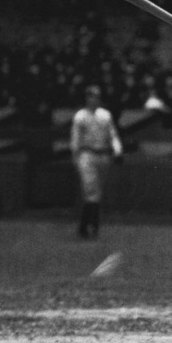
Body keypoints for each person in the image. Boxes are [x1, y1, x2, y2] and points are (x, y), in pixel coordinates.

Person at [70, 85, 123, 239]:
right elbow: (76, 138)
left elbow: (112, 134)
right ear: (86, 98)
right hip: (87, 153)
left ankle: (88, 225)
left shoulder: (105, 115)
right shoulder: (80, 116)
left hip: (103, 154)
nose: (93, 99)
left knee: (96, 191)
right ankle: (91, 224)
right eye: (90, 96)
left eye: (96, 96)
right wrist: (75, 155)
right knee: (90, 188)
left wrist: (118, 150)